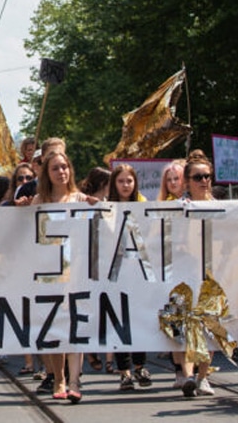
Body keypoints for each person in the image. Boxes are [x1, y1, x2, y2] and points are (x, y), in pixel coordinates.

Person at [16, 150, 86, 403]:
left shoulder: (80, 198)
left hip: (77, 271)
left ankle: (75, 380)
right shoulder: (38, 201)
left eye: (65, 167)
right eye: (56, 168)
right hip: (48, 273)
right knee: (55, 326)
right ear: (47, 173)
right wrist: (21, 211)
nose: (62, 172)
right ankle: (59, 378)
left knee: (75, 325)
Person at [106, 165, 152, 392]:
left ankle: (140, 365)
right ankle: (124, 371)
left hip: (138, 272)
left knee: (138, 318)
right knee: (119, 321)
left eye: (129, 181)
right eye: (121, 181)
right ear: (114, 184)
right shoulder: (107, 209)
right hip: (115, 273)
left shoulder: (143, 206)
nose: (126, 185)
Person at [174, 150, 216, 397]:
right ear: (187, 181)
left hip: (213, 274)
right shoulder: (178, 207)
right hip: (184, 272)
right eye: (198, 177)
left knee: (209, 326)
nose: (204, 181)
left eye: (207, 176)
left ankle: (203, 377)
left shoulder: (223, 205)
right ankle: (188, 376)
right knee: (185, 325)